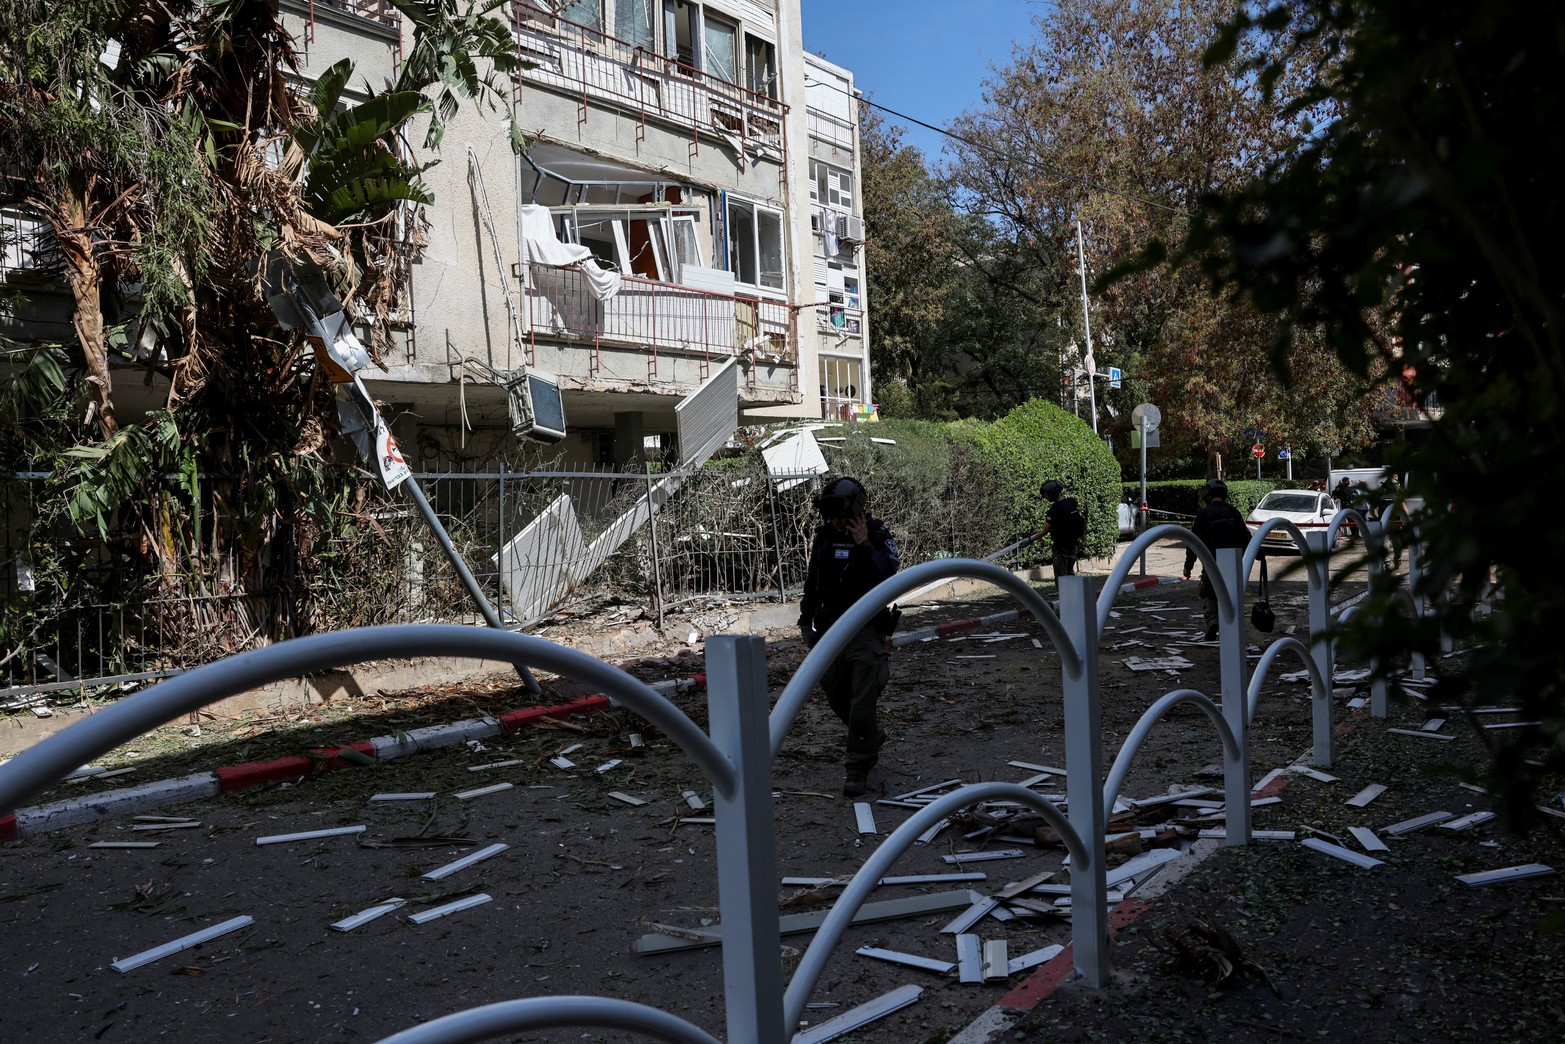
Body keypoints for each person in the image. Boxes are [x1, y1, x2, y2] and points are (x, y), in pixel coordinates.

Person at [798, 477, 901, 797]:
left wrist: (863, 544)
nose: (836, 520)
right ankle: (869, 734)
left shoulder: (878, 536)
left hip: (866, 629)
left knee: (861, 701)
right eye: (830, 515)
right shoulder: (826, 537)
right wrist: (805, 620)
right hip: (829, 628)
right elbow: (814, 578)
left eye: (840, 513)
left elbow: (887, 578)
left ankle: (857, 767)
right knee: (835, 693)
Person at [1182, 478, 1251, 641]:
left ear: (1208, 495)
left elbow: (1192, 543)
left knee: (1207, 593)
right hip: (1234, 564)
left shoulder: (1203, 515)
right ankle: (1233, 627)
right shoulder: (1233, 512)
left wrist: (1188, 567)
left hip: (1211, 563)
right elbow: (1246, 537)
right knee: (1232, 595)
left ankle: (1213, 621)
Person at [1030, 479, 1086, 579]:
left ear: (1052, 493)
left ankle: (1065, 594)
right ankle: (1074, 593)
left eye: (1046, 495)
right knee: (1070, 574)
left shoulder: (1054, 509)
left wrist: (1030, 540)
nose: (1045, 497)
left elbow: (1045, 530)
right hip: (1073, 545)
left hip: (1061, 548)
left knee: (1062, 578)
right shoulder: (1071, 503)